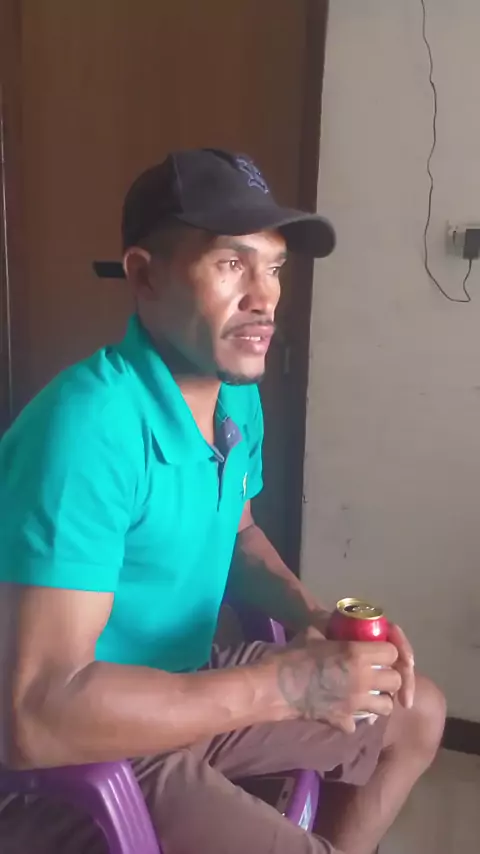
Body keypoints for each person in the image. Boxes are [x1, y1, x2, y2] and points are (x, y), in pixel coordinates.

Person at [0, 149, 445, 854]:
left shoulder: (234, 397)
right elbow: (37, 717)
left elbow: (236, 535)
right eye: (232, 263)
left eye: (275, 267)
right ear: (144, 275)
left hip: (182, 687)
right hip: (81, 749)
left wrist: (313, 617)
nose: (265, 297)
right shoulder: (86, 429)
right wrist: (286, 687)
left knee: (417, 712)